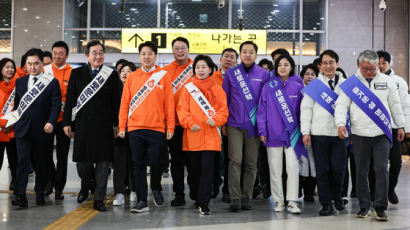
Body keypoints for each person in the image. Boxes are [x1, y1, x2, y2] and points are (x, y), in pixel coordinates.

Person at [335, 50, 405, 221]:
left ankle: (380, 207)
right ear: (359, 65)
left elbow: (395, 105)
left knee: (381, 169)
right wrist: (340, 124)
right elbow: (341, 105)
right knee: (361, 171)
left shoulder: (387, 81)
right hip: (359, 134)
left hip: (382, 134)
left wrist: (401, 125)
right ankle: (364, 205)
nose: (369, 72)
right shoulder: (351, 84)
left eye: (373, 69)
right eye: (366, 68)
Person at [63, 40, 122, 211]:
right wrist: (67, 122)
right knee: (83, 164)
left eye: (101, 52)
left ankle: (99, 199)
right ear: (87, 55)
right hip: (83, 126)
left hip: (104, 126)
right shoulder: (77, 74)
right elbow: (70, 102)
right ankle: (85, 185)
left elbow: (116, 102)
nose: (98, 56)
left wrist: (117, 124)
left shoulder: (110, 75)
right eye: (94, 53)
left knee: (103, 165)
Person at [0, 48, 61, 208]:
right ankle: (20, 196)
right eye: (29, 64)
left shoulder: (52, 82)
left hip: (43, 130)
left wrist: (51, 122)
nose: (32, 67)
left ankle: (40, 192)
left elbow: (55, 106)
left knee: (41, 164)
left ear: (42, 64)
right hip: (23, 130)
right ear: (25, 65)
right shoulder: (20, 82)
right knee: (21, 164)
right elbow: (17, 106)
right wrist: (10, 121)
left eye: (36, 64)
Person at [118, 41, 174, 213]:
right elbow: (125, 103)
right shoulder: (133, 77)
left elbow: (169, 104)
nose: (146, 56)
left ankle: (156, 186)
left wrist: (170, 127)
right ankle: (142, 200)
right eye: (143, 53)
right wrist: (122, 126)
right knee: (138, 165)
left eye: (150, 53)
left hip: (156, 128)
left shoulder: (163, 76)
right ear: (139, 56)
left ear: (155, 56)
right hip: (135, 128)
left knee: (157, 162)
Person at [177, 54, 229, 215]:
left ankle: (204, 203)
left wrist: (217, 120)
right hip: (192, 138)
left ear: (211, 69)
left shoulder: (218, 90)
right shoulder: (188, 89)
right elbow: (182, 110)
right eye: (197, 67)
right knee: (194, 172)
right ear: (194, 70)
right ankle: (196, 197)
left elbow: (224, 111)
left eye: (204, 67)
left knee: (207, 171)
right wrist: (190, 124)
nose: (200, 70)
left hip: (211, 139)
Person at [223, 41, 269, 211]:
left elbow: (266, 102)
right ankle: (235, 197)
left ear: (256, 55)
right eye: (244, 51)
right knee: (235, 161)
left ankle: (246, 196)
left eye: (251, 52)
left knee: (251, 163)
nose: (247, 55)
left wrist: (263, 126)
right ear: (240, 55)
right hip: (234, 124)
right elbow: (225, 99)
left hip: (254, 126)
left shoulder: (264, 74)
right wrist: (223, 124)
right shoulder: (231, 73)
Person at [300, 50, 348, 216]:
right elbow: (305, 109)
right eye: (325, 63)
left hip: (340, 134)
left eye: (331, 62)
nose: (328, 66)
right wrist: (305, 131)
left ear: (337, 64)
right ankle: (326, 203)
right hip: (318, 133)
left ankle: (338, 197)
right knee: (322, 170)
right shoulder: (314, 85)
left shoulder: (345, 84)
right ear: (320, 66)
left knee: (339, 169)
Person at [258, 54, 304, 214]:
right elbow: (262, 110)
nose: (283, 67)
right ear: (276, 68)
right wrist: (262, 130)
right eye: (279, 65)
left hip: (292, 135)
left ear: (291, 67)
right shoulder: (268, 86)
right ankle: (278, 201)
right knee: (275, 169)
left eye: (286, 64)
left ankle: (292, 201)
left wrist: (302, 132)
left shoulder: (298, 86)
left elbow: (301, 112)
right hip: (273, 134)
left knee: (292, 167)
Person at [367, 50, 410, 204]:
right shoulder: (369, 80)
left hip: (393, 128)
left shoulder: (399, 82)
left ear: (389, 63)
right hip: (374, 128)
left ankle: (390, 189)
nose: (381, 66)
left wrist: (404, 127)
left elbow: (405, 106)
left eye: (384, 63)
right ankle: (374, 191)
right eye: (378, 63)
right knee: (375, 163)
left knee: (396, 163)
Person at [162, 37, 194, 207]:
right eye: (176, 48)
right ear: (172, 51)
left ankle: (196, 192)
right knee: (176, 161)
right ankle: (179, 194)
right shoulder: (165, 71)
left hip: (194, 125)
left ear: (188, 49)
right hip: (174, 125)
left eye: (183, 48)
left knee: (193, 161)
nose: (180, 51)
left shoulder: (197, 67)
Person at [42, 41, 73, 200]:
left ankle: (59, 187)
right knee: (45, 153)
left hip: (64, 122)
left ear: (66, 55)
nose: (57, 56)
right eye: (55, 52)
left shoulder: (72, 73)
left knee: (62, 156)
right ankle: (50, 180)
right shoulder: (45, 71)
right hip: (47, 120)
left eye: (61, 53)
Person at [210, 48, 238, 202]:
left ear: (236, 62)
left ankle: (228, 189)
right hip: (212, 124)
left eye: (232, 57)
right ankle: (214, 184)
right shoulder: (211, 77)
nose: (228, 59)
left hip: (231, 124)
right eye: (225, 56)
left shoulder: (239, 79)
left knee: (229, 158)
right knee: (213, 158)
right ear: (220, 60)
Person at [113, 61, 137, 206]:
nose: (124, 73)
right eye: (122, 71)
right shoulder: (114, 90)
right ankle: (119, 193)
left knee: (133, 162)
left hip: (134, 130)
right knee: (119, 164)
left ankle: (134, 190)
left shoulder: (138, 89)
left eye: (128, 71)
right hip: (118, 132)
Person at [298, 63, 318, 203]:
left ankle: (310, 192)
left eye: (312, 74)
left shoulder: (320, 92)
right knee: (302, 162)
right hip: (300, 132)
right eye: (307, 74)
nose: (309, 76)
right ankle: (302, 191)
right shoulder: (298, 90)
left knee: (314, 162)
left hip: (316, 131)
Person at [0, 58, 18, 191]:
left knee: (14, 160)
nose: (10, 69)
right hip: (0, 130)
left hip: (13, 130)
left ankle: (15, 183)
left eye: (12, 67)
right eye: (7, 67)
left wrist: (11, 124)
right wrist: (3, 123)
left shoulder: (18, 86)